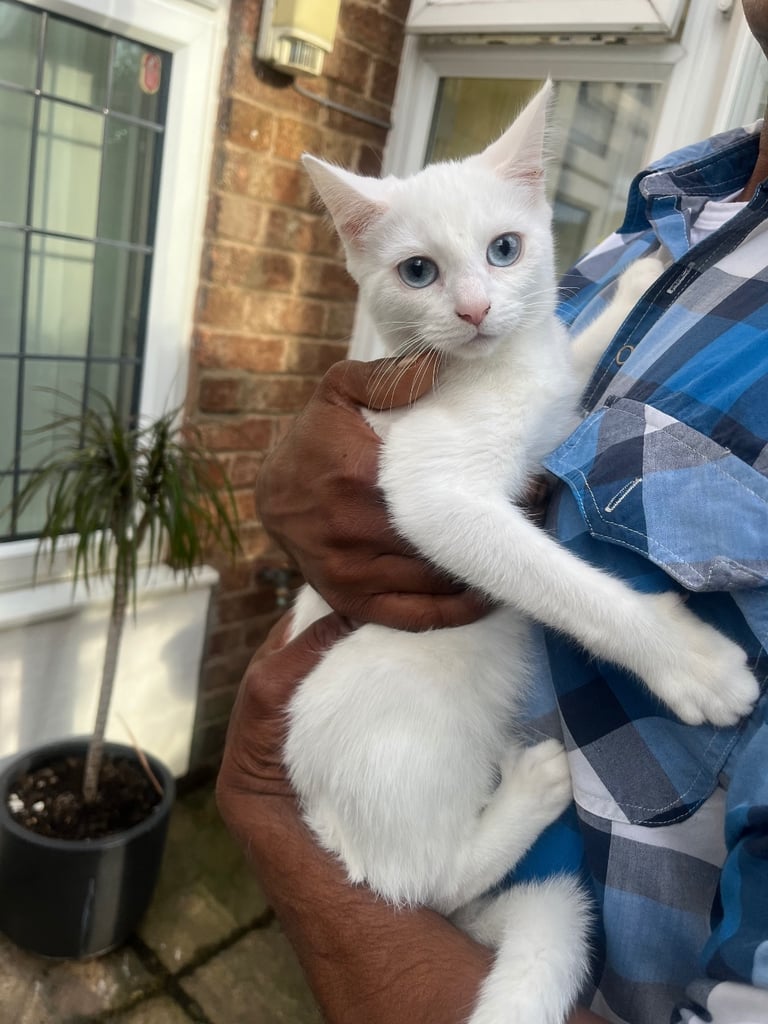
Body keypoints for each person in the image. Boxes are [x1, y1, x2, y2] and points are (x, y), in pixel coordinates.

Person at [216, 3, 768, 1021]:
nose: (473, 304)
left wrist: (257, 806)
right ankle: (452, 866)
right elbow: (428, 495)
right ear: (362, 250)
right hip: (395, 761)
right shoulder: (636, 248)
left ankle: (454, 867)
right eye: (419, 272)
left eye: (502, 254)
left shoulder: (535, 324)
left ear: (534, 213)